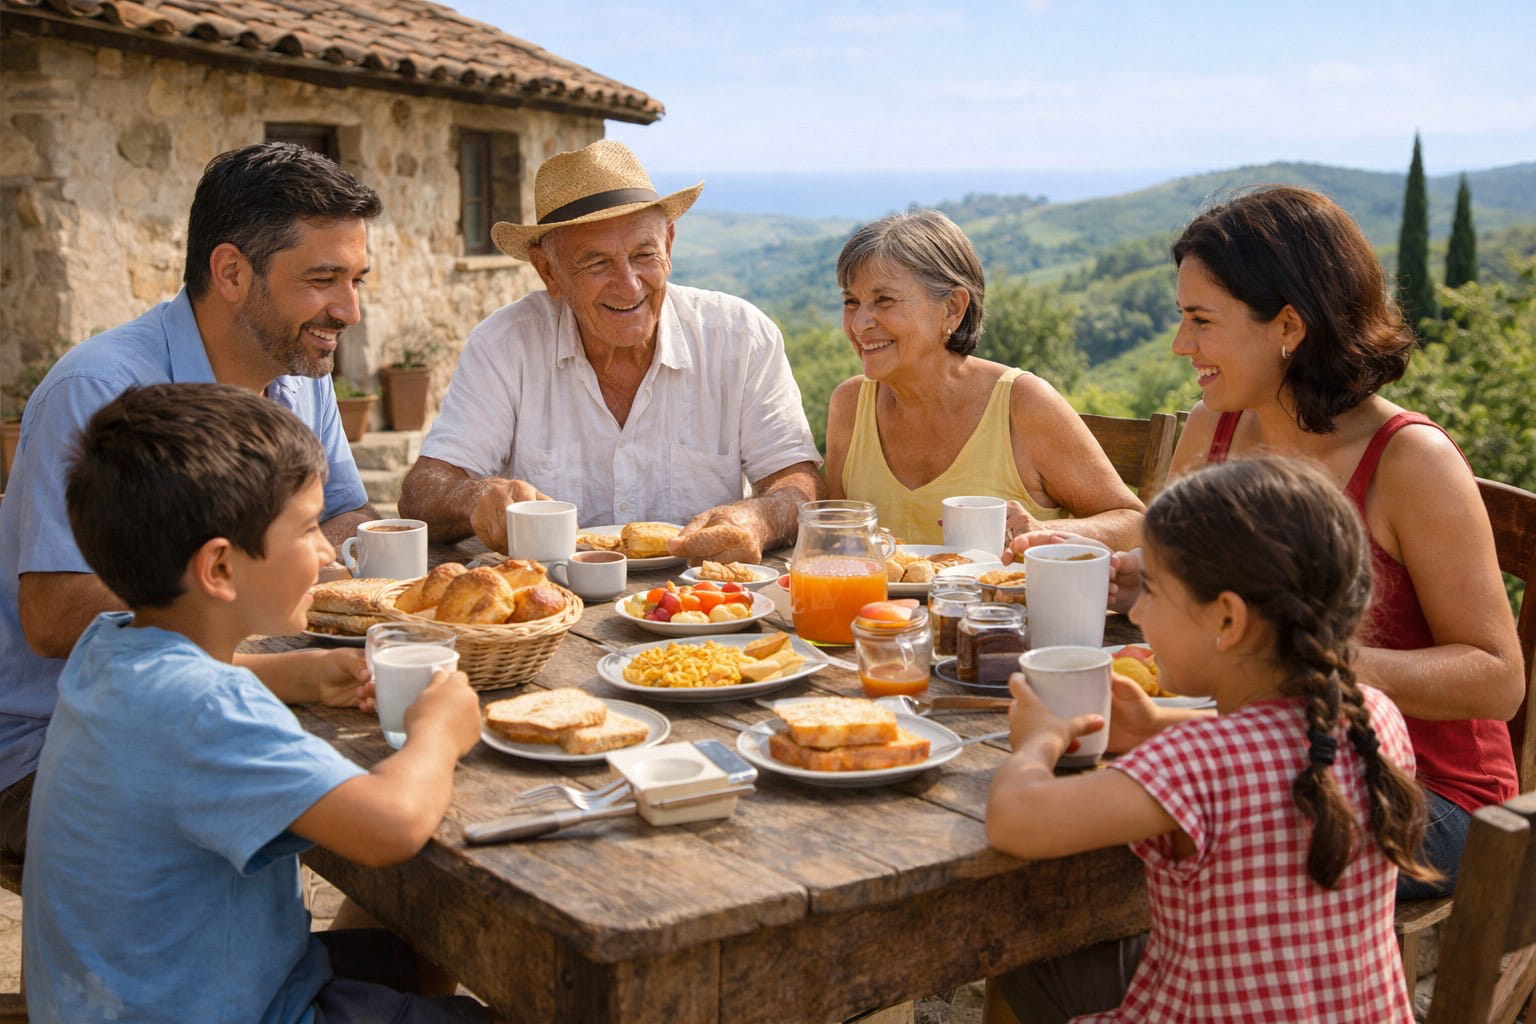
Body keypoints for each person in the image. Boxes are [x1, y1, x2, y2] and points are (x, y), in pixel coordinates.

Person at [1014, 186, 1521, 899]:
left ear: (1288, 326)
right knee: (1096, 829)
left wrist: (1313, 662)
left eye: (1201, 320)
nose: (1180, 344)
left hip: (1424, 796)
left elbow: (1498, 679)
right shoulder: (1212, 431)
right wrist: (1144, 580)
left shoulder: (1411, 463)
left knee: (1147, 835)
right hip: (1262, 751)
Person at [23, 382, 490, 1023]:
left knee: (425, 940)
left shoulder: (111, 646)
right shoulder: (210, 713)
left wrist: (300, 674)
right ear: (219, 568)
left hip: (143, 992)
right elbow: (390, 826)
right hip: (241, 1007)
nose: (329, 552)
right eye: (306, 529)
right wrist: (439, 730)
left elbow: (185, 688)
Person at [0, 141, 384, 860]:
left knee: (398, 778)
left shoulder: (302, 373)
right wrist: (253, 592)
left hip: (230, 690)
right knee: (383, 814)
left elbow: (341, 515)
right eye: (323, 279)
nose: (349, 310)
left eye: (358, 279)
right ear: (232, 272)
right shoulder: (100, 390)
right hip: (56, 748)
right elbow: (51, 619)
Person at [986, 457, 1435, 1023]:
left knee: (1025, 944)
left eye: (1150, 591)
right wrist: (1155, 725)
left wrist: (1037, 742)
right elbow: (1276, 749)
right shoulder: (1375, 718)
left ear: (1227, 620)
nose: (1138, 612)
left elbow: (1016, 820)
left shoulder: (1194, 766)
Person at [398, 140, 824, 564]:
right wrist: (475, 497)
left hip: (704, 601)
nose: (629, 285)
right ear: (549, 271)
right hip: (549, 610)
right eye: (597, 264)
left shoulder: (741, 337)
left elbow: (798, 481)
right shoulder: (505, 344)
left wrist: (760, 518)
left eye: (644, 255)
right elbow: (423, 492)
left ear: (669, 244)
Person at [823, 210, 1142, 549]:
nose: (859, 324)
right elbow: (836, 543)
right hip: (875, 605)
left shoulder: (1024, 403)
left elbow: (1135, 524)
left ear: (953, 308)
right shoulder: (850, 405)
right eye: (851, 302)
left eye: (883, 300)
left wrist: (1045, 533)